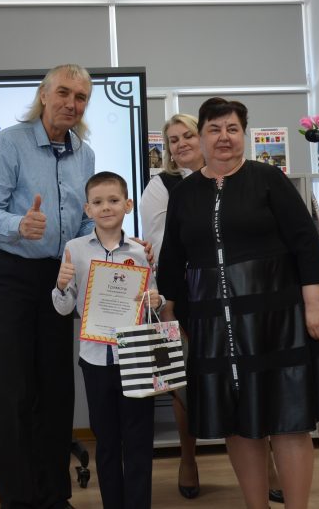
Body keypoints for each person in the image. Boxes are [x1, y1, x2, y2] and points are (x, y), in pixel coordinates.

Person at [156, 97, 319, 509]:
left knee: (289, 423)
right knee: (238, 425)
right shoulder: (184, 194)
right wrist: (178, 314)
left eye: (232, 129)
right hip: (215, 327)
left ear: (244, 134)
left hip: (280, 321)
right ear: (201, 137)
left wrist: (314, 303)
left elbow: (305, 243)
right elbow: (171, 261)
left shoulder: (268, 179)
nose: (223, 137)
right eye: (214, 129)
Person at [0, 63, 95, 509]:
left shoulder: (85, 154)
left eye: (80, 97)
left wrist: (112, 241)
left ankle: (54, 496)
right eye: (63, 93)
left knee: (57, 389)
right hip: (10, 273)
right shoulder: (10, 142)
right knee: (15, 391)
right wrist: (19, 225)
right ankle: (18, 500)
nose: (71, 103)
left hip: (57, 276)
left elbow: (84, 221)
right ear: (44, 95)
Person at [54, 171, 161, 509]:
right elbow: (63, 308)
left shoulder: (142, 251)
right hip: (95, 359)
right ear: (87, 209)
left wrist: (155, 299)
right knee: (107, 441)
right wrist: (60, 286)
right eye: (98, 202)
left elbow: (151, 298)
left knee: (139, 441)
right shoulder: (74, 250)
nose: (106, 207)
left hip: (135, 357)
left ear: (128, 205)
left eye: (113, 200)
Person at [139, 113, 205, 499]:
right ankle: (188, 459)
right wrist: (168, 306)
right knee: (183, 381)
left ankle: (265, 464)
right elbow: (162, 250)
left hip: (227, 293)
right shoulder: (161, 185)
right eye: (173, 140)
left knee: (243, 379)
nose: (180, 144)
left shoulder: (228, 176)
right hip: (182, 296)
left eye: (187, 135)